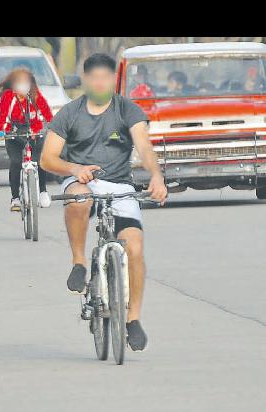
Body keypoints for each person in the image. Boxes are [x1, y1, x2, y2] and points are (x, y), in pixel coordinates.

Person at [40, 53, 167, 352]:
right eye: (93, 78)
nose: (99, 83)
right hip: (81, 179)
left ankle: (133, 319)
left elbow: (144, 147)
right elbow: (47, 158)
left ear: (114, 80)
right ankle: (79, 263)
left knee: (134, 247)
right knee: (79, 200)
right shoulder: (70, 113)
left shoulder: (127, 110)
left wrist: (156, 177)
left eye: (105, 78)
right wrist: (74, 170)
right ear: (84, 81)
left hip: (119, 184)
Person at [0, 67, 54, 212]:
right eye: (19, 82)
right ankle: (15, 199)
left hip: (34, 132)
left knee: (39, 161)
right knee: (15, 163)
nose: (23, 85)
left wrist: (54, 127)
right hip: (14, 134)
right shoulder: (8, 97)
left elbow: (48, 115)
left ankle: (43, 191)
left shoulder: (35, 96)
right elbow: (2, 117)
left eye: (26, 82)